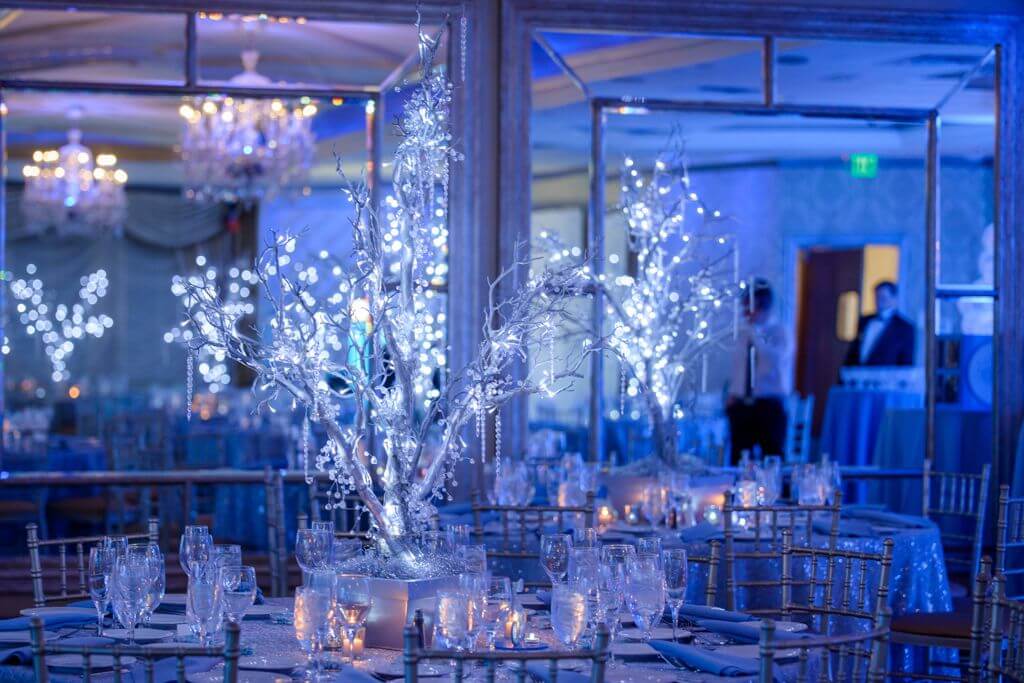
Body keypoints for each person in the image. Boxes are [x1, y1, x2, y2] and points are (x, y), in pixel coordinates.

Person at [726, 279, 793, 464]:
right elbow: (739, 367)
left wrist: (757, 333)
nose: (746, 313)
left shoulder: (780, 332)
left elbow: (773, 360)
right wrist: (733, 393)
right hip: (741, 405)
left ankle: (774, 492)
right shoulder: (743, 333)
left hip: (768, 404)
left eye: (750, 307)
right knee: (739, 457)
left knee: (772, 457)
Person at [844, 280, 915, 366]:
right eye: (877, 297)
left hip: (886, 377)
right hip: (859, 374)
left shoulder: (904, 327)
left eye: (883, 297)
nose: (879, 301)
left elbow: (906, 361)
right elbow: (854, 350)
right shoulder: (864, 320)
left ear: (894, 299)